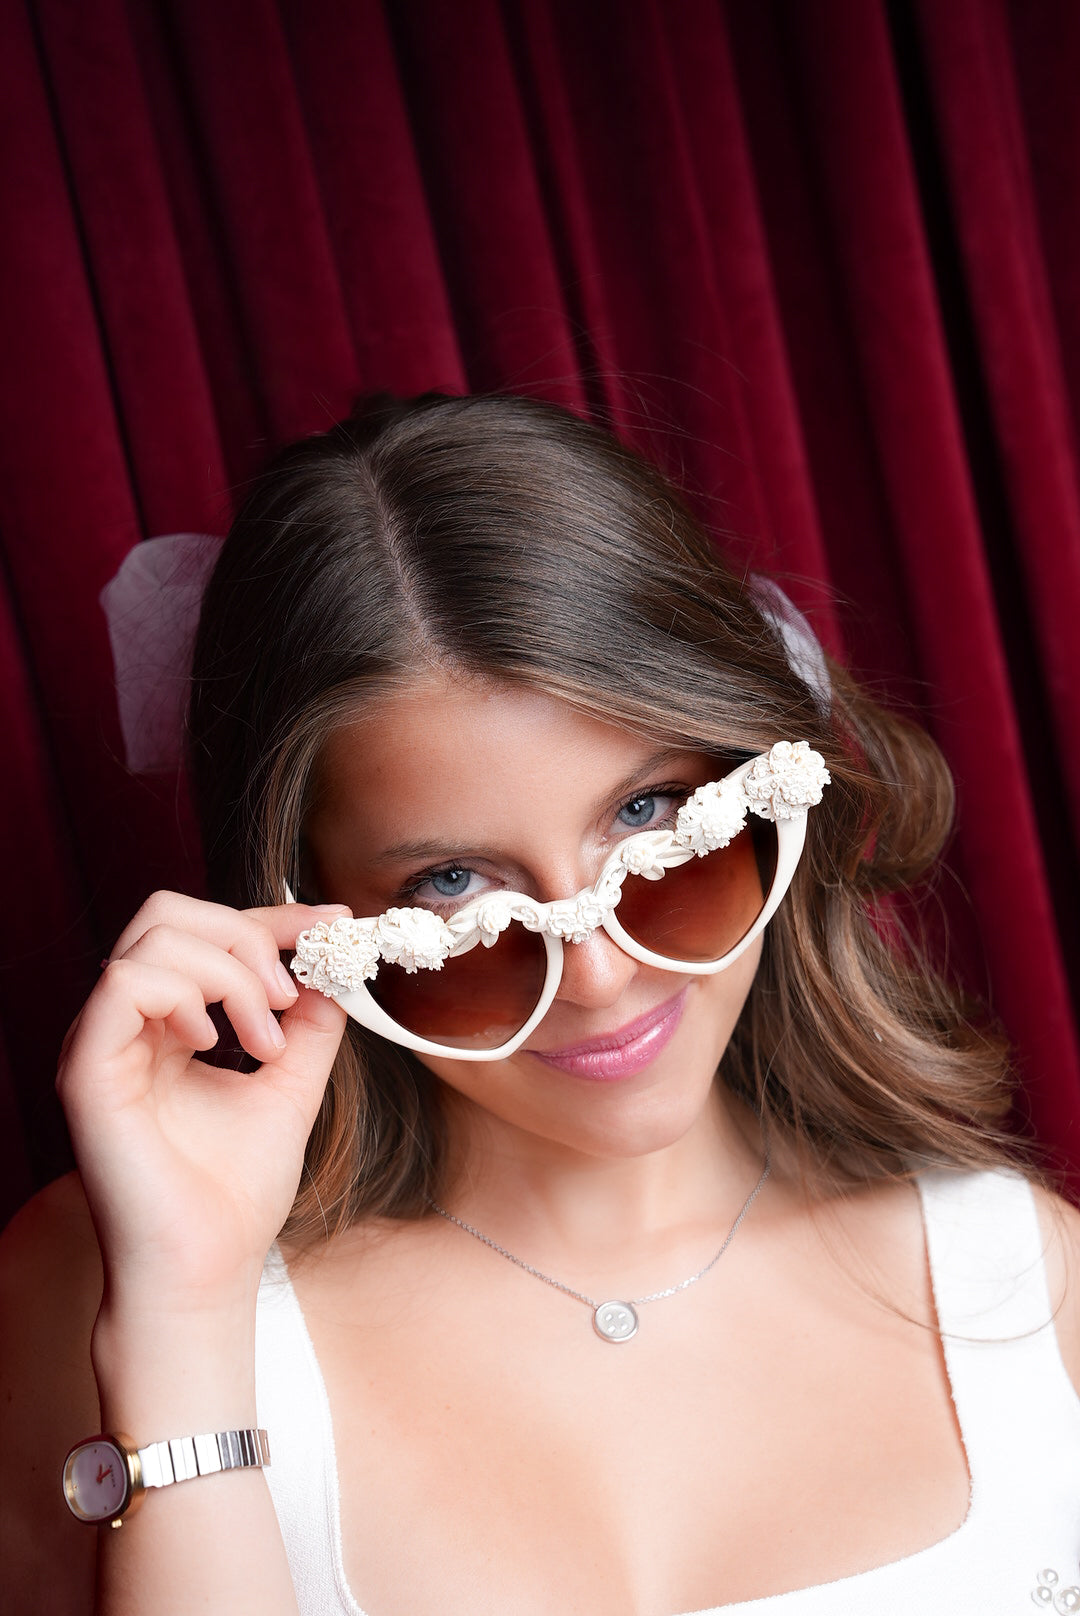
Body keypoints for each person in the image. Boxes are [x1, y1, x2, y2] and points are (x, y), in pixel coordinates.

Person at [3, 390, 1080, 1616]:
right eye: (452, 883)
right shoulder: (98, 1290)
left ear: (759, 777)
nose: (601, 973)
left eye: (647, 815)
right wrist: (185, 1314)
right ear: (303, 914)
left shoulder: (1030, 1280)